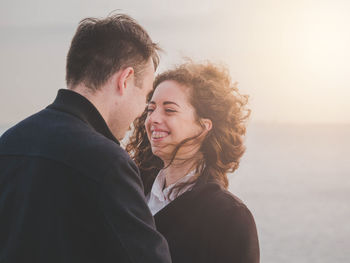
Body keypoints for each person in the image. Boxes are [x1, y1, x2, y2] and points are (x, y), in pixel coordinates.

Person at [0, 14, 171, 263]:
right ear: (125, 80)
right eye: (145, 97)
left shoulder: (8, 144)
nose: (141, 113)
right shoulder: (109, 163)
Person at [126, 61, 260, 263]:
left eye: (169, 110)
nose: (153, 119)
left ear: (203, 126)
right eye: (150, 109)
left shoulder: (230, 217)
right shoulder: (129, 188)